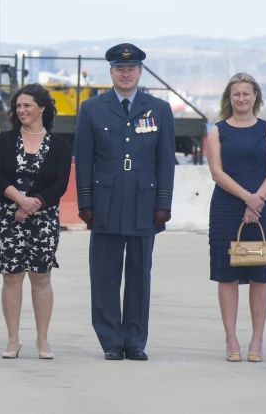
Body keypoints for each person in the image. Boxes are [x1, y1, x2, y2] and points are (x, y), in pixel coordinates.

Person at [73, 43, 176, 361]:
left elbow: (165, 160)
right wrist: (85, 202)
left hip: (144, 200)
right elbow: (84, 158)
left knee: (139, 272)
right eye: (120, 69)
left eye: (131, 69)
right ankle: (111, 340)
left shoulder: (158, 109)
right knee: (104, 272)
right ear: (111, 72)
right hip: (106, 199)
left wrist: (163, 202)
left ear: (140, 72)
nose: (126, 73)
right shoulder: (92, 108)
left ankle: (135, 340)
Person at [0, 84, 72, 359]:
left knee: (41, 277)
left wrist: (34, 205)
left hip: (43, 218)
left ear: (42, 108)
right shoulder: (3, 141)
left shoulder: (59, 145)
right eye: (18, 106)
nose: (21, 110)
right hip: (8, 217)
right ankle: (12, 340)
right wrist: (20, 201)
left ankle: (42, 340)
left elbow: (60, 185)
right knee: (11, 277)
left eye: (27, 105)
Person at [205, 73, 266, 363]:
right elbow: (217, 172)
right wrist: (247, 198)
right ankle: (231, 339)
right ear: (229, 98)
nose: (241, 99)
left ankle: (257, 339)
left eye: (246, 94)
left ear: (256, 97)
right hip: (227, 208)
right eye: (236, 94)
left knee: (259, 274)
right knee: (228, 275)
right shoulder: (218, 131)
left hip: (262, 209)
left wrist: (257, 199)